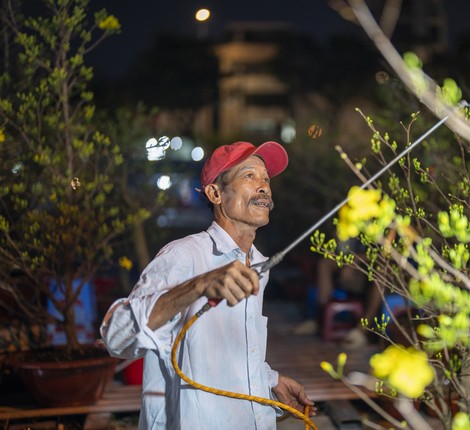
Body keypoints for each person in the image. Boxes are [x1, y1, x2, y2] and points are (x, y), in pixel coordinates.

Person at [101, 141, 316, 429]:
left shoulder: (258, 265)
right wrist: (198, 285)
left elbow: (220, 355)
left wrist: (271, 382)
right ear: (216, 193)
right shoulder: (183, 256)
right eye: (249, 176)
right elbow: (116, 339)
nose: (264, 186)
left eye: (266, 178)